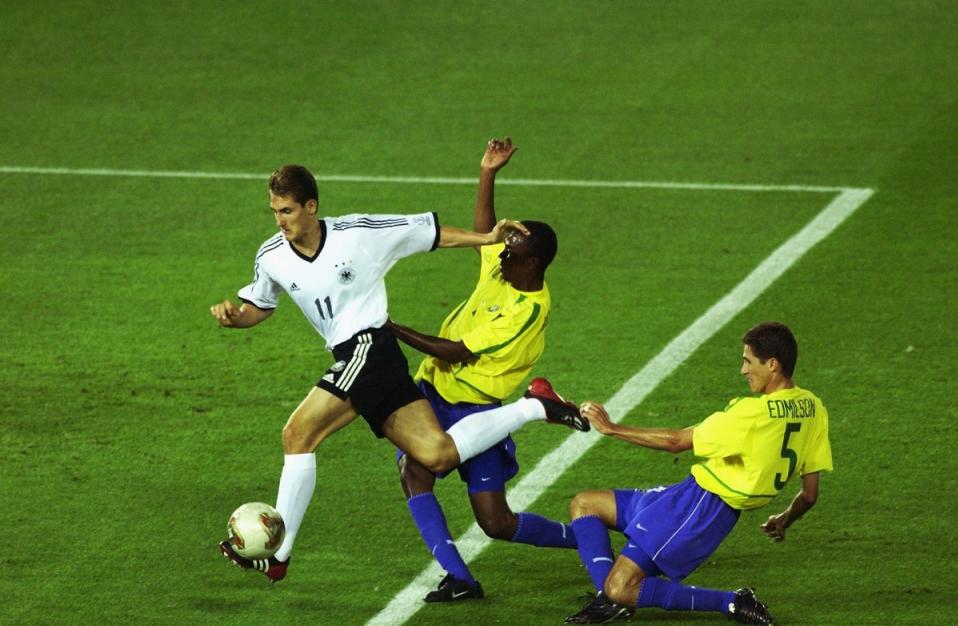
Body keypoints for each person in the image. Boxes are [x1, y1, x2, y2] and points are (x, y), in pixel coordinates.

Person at [210, 157, 588, 584]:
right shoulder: (272, 255)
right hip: (367, 359)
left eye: (288, 211)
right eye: (275, 212)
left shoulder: (358, 234)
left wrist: (485, 237)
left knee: (298, 434)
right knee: (436, 454)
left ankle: (279, 552)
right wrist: (235, 318)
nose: (280, 221)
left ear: (311, 206)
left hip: (369, 347)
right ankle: (534, 408)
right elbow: (260, 305)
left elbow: (431, 234)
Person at [386, 137, 582, 602]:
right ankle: (459, 577)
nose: (499, 258)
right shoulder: (508, 265)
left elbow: (456, 351)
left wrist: (388, 327)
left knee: (496, 522)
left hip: (478, 412)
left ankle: (589, 539)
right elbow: (484, 233)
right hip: (433, 394)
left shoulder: (527, 310)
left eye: (510, 254)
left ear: (533, 263)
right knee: (415, 473)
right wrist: (487, 172)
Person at [563, 322, 832, 625]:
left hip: (701, 509)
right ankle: (609, 601)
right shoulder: (814, 408)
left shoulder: (752, 414)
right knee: (584, 504)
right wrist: (784, 520)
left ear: (772, 365)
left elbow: (677, 441)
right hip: (688, 494)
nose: (743, 370)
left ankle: (732, 601)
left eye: (748, 361)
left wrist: (612, 428)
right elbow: (810, 494)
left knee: (620, 587)